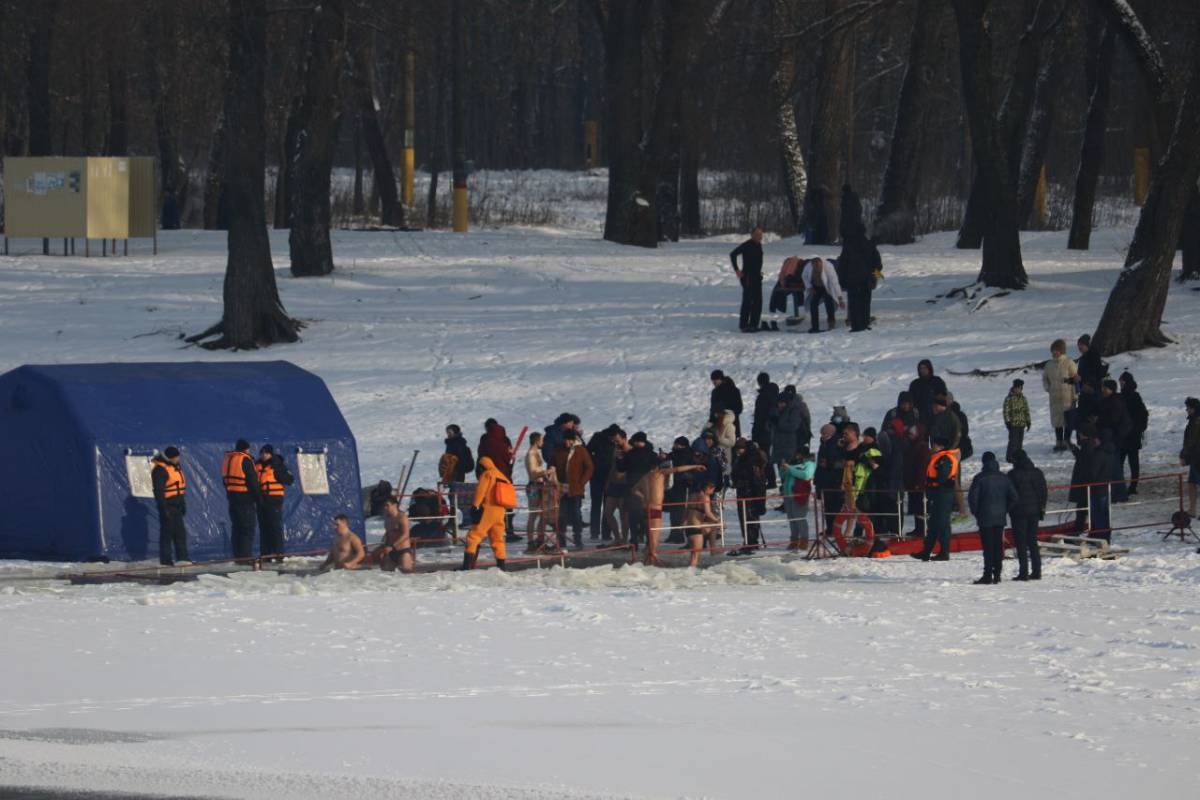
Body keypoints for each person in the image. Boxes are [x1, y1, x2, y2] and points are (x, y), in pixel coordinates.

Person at [631, 458, 706, 565]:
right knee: (654, 538)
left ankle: (648, 559)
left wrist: (643, 498)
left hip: (646, 509)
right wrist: (695, 466)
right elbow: (677, 469)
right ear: (657, 467)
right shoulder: (659, 473)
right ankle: (651, 559)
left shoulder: (644, 477)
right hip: (655, 509)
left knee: (650, 536)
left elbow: (634, 490)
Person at [967, 452, 1017, 584]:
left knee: (988, 547)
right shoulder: (1004, 478)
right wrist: (1005, 509)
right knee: (997, 546)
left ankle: (988, 574)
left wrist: (976, 512)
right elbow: (1014, 497)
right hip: (999, 517)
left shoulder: (980, 478)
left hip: (985, 517)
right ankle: (997, 574)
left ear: (983, 463)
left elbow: (973, 498)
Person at [461, 456, 515, 570]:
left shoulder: (487, 474)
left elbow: (481, 491)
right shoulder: (502, 476)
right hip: (500, 511)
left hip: (487, 510)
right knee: (497, 539)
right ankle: (502, 566)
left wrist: (475, 505)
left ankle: (466, 566)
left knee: (474, 536)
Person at [912, 437, 958, 561]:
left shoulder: (945, 459)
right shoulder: (938, 458)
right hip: (937, 494)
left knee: (942, 524)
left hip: (943, 494)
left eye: (935, 445)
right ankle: (926, 551)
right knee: (933, 524)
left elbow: (942, 478)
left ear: (941, 446)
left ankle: (944, 552)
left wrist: (933, 483)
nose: (932, 447)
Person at [836, 211, 882, 332]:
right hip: (867, 280)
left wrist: (841, 280)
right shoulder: (870, 245)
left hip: (852, 280)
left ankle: (856, 325)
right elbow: (878, 264)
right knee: (865, 302)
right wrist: (876, 277)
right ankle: (865, 323)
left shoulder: (848, 246)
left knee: (854, 303)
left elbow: (842, 265)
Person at [1007, 450, 1047, 581]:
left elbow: (1010, 495)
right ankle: (1037, 571)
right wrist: (1041, 508)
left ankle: (1023, 572)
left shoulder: (1013, 475)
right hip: (1034, 512)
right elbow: (1043, 492)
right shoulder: (1038, 473)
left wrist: (1010, 509)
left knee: (1021, 543)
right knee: (1032, 541)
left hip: (1019, 513)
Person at [554, 430, 594, 548]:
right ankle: (561, 540)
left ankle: (578, 538)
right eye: (565, 440)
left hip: (576, 488)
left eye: (569, 440)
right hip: (561, 488)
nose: (566, 442)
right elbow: (552, 464)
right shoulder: (558, 451)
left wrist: (582, 482)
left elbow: (589, 467)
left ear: (573, 440)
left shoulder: (580, 450)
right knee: (562, 515)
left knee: (576, 514)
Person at [150, 446, 190, 566]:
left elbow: (180, 488)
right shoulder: (160, 470)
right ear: (170, 458)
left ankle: (183, 559)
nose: (178, 459)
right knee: (167, 534)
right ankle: (166, 561)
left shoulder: (175, 467)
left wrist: (182, 503)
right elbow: (159, 491)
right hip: (167, 505)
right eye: (176, 457)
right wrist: (163, 508)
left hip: (177, 505)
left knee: (180, 534)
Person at [221, 439, 260, 559]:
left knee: (236, 527)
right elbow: (253, 482)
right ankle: (245, 557)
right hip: (245, 499)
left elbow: (224, 480)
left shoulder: (228, 459)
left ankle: (237, 556)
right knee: (247, 528)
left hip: (232, 498)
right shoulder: (245, 460)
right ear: (246, 449)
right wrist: (259, 499)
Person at [255, 444, 294, 560]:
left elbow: (290, 480)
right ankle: (265, 554)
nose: (263, 455)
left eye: (266, 453)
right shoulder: (257, 466)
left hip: (274, 499)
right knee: (264, 527)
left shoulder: (277, 465)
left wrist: (280, 473)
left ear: (270, 454)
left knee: (275, 527)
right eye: (262, 453)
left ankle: (279, 554)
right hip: (262, 500)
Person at [729, 439, 767, 556]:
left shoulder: (751, 461)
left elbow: (756, 480)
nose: (738, 451)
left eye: (740, 448)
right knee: (745, 518)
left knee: (750, 518)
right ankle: (748, 542)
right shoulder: (742, 460)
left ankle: (751, 542)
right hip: (744, 493)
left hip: (750, 494)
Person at [1097, 379, 1132, 502]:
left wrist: (1099, 422)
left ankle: (1119, 494)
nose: (1103, 390)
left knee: (1114, 467)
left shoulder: (1114, 402)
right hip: (1113, 437)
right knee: (1113, 466)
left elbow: (1112, 420)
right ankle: (1118, 493)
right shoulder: (1110, 401)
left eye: (1105, 388)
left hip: (1113, 438)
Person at [729, 226, 765, 332]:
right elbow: (733, 254)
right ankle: (744, 325)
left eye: (761, 234)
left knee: (758, 301)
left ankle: (754, 324)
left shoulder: (759, 245)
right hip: (748, 276)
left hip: (757, 276)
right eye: (757, 234)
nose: (759, 236)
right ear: (752, 235)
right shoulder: (747, 245)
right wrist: (737, 270)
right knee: (748, 301)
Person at [779, 448, 816, 550]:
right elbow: (783, 476)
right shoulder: (792, 463)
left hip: (799, 495)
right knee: (792, 519)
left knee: (800, 519)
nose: (796, 456)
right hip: (788, 494)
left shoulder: (809, 464)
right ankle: (794, 541)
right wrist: (783, 469)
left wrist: (790, 469)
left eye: (799, 455)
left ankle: (804, 540)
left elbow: (805, 475)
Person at [1119, 372, 1148, 495]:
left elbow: (1142, 415)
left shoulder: (1131, 397)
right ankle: (1127, 486)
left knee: (1127, 462)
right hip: (1129, 436)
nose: (1120, 383)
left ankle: (1127, 486)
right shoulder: (1130, 396)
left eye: (1122, 381)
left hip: (1129, 435)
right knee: (1129, 462)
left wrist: (1137, 429)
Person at [586, 424, 618, 540]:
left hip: (607, 477)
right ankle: (596, 532)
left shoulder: (614, 442)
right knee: (597, 504)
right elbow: (587, 452)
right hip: (597, 476)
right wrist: (594, 463)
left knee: (606, 506)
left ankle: (604, 533)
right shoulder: (598, 438)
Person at [772, 385, 804, 493]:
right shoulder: (777, 411)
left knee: (789, 472)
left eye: (782, 403)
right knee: (781, 472)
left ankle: (789, 495)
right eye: (779, 403)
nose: (780, 405)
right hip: (778, 445)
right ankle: (785, 494)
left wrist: (778, 423)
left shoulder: (794, 410)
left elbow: (793, 426)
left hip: (789, 445)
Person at [441, 424, 475, 524]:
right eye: (447, 432)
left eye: (450, 432)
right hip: (452, 472)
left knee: (455, 495)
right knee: (453, 495)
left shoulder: (458, 443)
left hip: (457, 473)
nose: (448, 434)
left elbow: (460, 460)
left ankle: (461, 519)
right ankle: (455, 519)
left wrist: (454, 467)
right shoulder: (451, 443)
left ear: (455, 432)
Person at [814, 423, 843, 539]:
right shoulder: (824, 444)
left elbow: (840, 462)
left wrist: (829, 464)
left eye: (825, 433)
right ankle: (830, 528)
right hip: (824, 479)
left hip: (834, 480)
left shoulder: (837, 444)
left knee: (835, 507)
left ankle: (836, 530)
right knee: (827, 507)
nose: (823, 435)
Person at [801, 256, 845, 333]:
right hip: (815, 288)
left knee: (829, 303)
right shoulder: (808, 266)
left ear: (822, 264)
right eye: (815, 267)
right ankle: (815, 326)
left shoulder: (828, 266)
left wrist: (840, 298)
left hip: (826, 288)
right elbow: (804, 276)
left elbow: (835, 282)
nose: (817, 269)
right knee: (813, 304)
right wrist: (810, 287)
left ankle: (831, 323)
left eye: (818, 267)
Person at [684, 481, 722, 567]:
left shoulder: (691, 495)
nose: (712, 492)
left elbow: (686, 511)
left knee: (693, 554)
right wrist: (718, 521)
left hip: (689, 528)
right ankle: (691, 575)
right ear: (708, 488)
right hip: (696, 529)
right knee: (695, 557)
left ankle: (713, 550)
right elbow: (708, 513)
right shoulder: (705, 497)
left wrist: (683, 522)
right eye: (712, 490)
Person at [375, 496, 414, 573]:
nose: (385, 508)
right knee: (385, 574)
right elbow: (388, 534)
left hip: (402, 551)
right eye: (384, 506)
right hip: (390, 551)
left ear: (395, 505)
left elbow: (405, 534)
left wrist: (393, 546)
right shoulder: (387, 519)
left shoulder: (402, 517)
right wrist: (384, 546)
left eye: (387, 505)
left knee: (406, 572)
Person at [524, 432, 551, 546]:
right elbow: (533, 473)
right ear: (537, 441)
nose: (543, 442)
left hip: (539, 486)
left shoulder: (535, 453)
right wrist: (547, 472)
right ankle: (531, 541)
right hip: (534, 486)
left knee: (542, 514)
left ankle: (540, 539)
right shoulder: (531, 454)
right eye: (542, 440)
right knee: (533, 514)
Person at [908, 360, 948, 426]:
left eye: (924, 368)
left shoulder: (937, 381)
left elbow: (943, 398)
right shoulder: (915, 384)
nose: (922, 370)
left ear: (929, 368)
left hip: (935, 416)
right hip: (920, 417)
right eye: (921, 368)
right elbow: (910, 399)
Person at [1001, 380, 1031, 464]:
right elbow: (1006, 411)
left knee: (1019, 442)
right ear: (1013, 388)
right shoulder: (1009, 398)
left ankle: (1018, 456)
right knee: (1013, 442)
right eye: (1016, 388)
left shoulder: (1023, 399)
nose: (1018, 390)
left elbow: (1026, 411)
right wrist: (1008, 422)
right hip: (1013, 424)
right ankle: (1010, 456)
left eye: (1020, 388)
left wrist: (1028, 421)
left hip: (1021, 423)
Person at [709, 370, 744, 435]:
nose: (714, 383)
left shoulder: (733, 390)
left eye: (715, 381)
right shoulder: (715, 392)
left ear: (720, 379)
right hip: (718, 428)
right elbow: (712, 410)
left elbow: (739, 408)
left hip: (731, 427)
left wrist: (725, 412)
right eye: (713, 381)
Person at [1181, 397, 1200, 518]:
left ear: (1193, 409)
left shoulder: (1196, 421)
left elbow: (1191, 440)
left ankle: (1193, 509)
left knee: (1193, 483)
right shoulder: (1195, 420)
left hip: (1197, 457)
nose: (1186, 410)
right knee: (1192, 483)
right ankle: (1192, 509)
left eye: (1188, 408)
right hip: (1196, 457)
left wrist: (1183, 454)